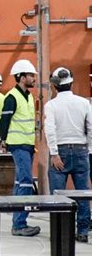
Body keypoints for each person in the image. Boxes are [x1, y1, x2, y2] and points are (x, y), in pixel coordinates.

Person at [43, 67, 91, 243]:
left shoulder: (51, 105)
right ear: (71, 82)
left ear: (54, 85)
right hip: (81, 150)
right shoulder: (84, 103)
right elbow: (91, 127)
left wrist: (54, 154)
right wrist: (90, 149)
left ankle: (60, 231)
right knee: (83, 192)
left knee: (57, 195)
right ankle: (83, 230)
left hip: (60, 152)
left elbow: (50, 131)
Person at [0, 59, 40, 237]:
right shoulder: (11, 97)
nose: (33, 78)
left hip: (27, 145)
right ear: (21, 77)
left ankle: (18, 221)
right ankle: (20, 224)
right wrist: (3, 140)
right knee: (25, 182)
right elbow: (4, 121)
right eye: (30, 75)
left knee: (19, 183)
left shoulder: (29, 96)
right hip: (18, 145)